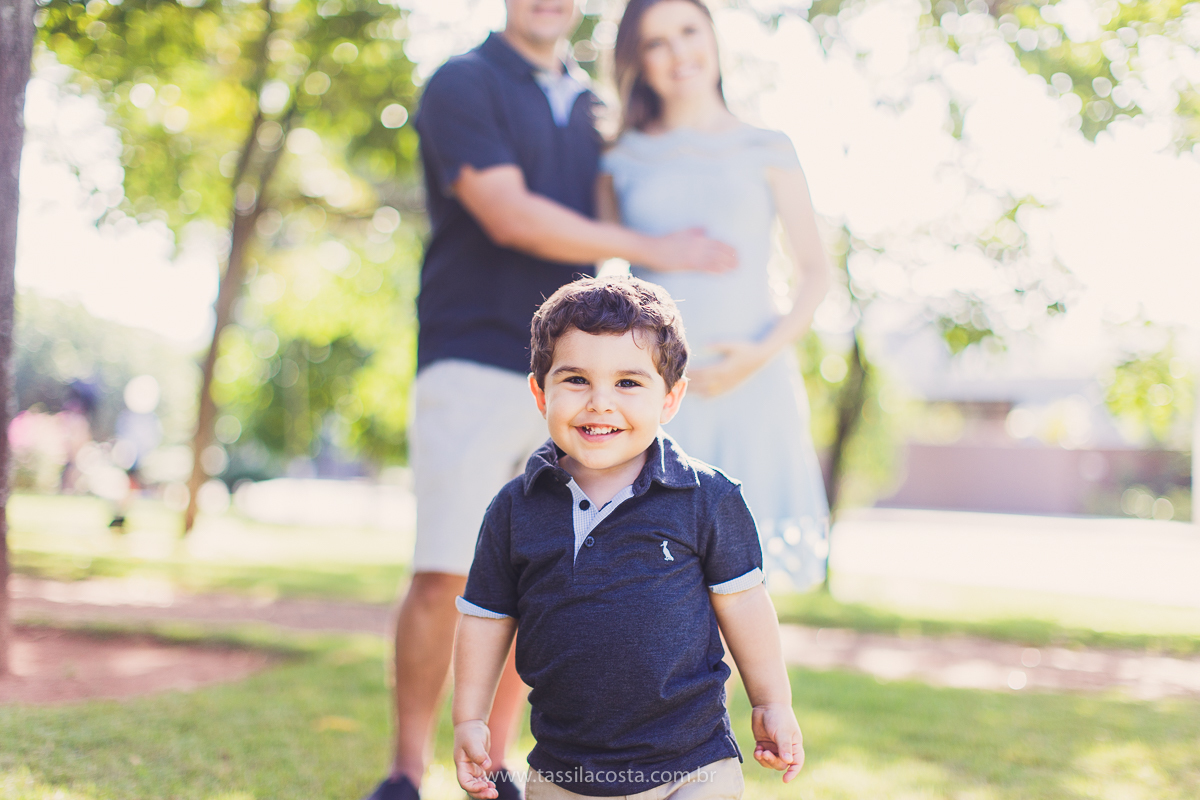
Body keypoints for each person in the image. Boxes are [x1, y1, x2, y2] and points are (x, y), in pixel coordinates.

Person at [365, 1, 738, 798]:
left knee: (543, 575)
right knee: (443, 571)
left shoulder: (600, 111)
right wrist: (658, 253)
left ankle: (491, 770)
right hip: (472, 352)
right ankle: (404, 772)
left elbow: (648, 187)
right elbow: (508, 213)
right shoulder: (463, 82)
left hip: (582, 374)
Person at [451, 276, 804, 800]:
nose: (599, 403)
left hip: (693, 762)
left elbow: (745, 605)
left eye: (628, 383)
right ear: (539, 391)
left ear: (671, 398)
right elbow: (485, 617)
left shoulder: (705, 497)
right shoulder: (514, 509)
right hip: (564, 769)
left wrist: (770, 701)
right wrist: (469, 718)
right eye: (575, 380)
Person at [597, 0, 834, 592]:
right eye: (656, 42)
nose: (678, 52)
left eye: (687, 31)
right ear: (637, 61)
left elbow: (815, 274)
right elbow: (607, 281)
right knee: (653, 590)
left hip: (753, 384)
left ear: (713, 36)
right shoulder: (617, 158)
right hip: (655, 395)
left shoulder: (768, 146)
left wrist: (758, 355)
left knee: (742, 593)